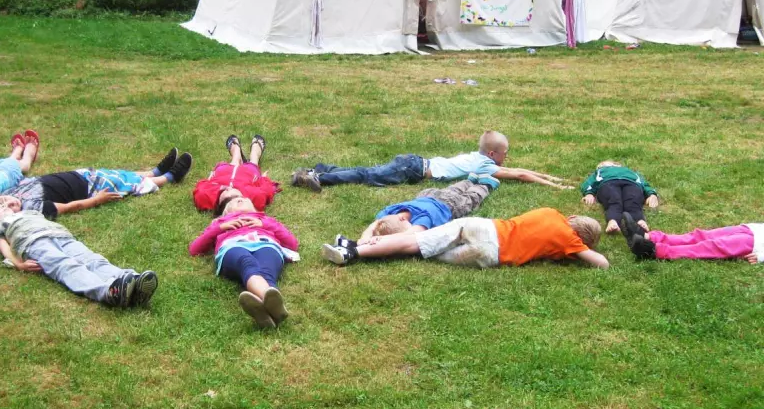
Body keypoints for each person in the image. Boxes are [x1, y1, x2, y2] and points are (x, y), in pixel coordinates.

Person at [0, 197, 158, 307]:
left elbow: (13, 202)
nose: (3, 207)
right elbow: (3, 246)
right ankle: (109, 292)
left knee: (93, 259)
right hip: (33, 244)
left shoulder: (26, 211)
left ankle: (132, 281)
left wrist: (8, 203)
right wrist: (18, 263)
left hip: (62, 236)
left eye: (3, 204)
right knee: (66, 266)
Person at [322, 207, 608, 270]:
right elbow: (602, 264)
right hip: (490, 257)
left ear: (572, 220)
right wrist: (582, 250)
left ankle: (354, 250)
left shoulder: (552, 214)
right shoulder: (572, 245)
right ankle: (356, 249)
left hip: (484, 229)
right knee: (419, 251)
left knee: (418, 244)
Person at [291, 130, 571, 192]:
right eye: (504, 153)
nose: (506, 158)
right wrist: (557, 188)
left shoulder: (480, 158)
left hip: (413, 163)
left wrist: (552, 177)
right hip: (413, 168)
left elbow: (518, 170)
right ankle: (320, 177)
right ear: (492, 155)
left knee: (367, 172)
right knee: (367, 175)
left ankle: (319, 169)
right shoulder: (485, 165)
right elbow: (519, 175)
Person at [189, 193, 298, 330]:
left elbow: (292, 243)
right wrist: (220, 227)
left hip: (266, 244)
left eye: (242, 199)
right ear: (226, 212)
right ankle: (272, 303)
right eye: (233, 202)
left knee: (267, 271)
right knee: (246, 263)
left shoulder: (266, 219)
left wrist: (264, 224)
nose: (238, 199)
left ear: (254, 208)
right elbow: (194, 249)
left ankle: (265, 312)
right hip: (233, 246)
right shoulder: (221, 222)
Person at [0, 147, 192, 219]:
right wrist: (96, 201)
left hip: (80, 175)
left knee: (118, 174)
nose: (10, 203)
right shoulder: (31, 209)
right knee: (124, 184)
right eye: (8, 209)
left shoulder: (13, 190)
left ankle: (153, 172)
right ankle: (168, 177)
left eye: (3, 201)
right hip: (89, 189)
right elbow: (66, 207)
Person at [335, 177, 494, 251]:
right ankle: (469, 180)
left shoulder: (423, 218)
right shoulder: (388, 212)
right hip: (426, 195)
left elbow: (410, 235)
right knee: (453, 189)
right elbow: (374, 225)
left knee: (469, 199)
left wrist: (381, 239)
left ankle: (486, 184)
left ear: (403, 218)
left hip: (449, 205)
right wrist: (365, 238)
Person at [622, 212, 764, 263]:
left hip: (755, 243)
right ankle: (647, 237)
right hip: (751, 229)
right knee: (701, 236)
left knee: (711, 247)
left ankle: (653, 251)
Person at [193, 134, 279, 214]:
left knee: (233, 161)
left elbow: (201, 187)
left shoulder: (205, 197)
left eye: (224, 193)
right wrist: (264, 179)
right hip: (248, 174)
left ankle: (236, 153)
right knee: (253, 163)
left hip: (223, 173)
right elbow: (266, 191)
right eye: (235, 195)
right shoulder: (254, 197)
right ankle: (255, 153)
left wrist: (214, 183)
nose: (229, 188)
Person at [580, 160, 658, 234]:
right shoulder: (599, 172)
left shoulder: (631, 172)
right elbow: (589, 183)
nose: (602, 166)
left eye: (604, 164)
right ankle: (613, 221)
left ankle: (640, 221)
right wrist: (589, 193)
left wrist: (651, 194)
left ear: (617, 165)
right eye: (600, 166)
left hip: (631, 184)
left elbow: (644, 183)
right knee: (613, 200)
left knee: (633, 201)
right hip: (608, 183)